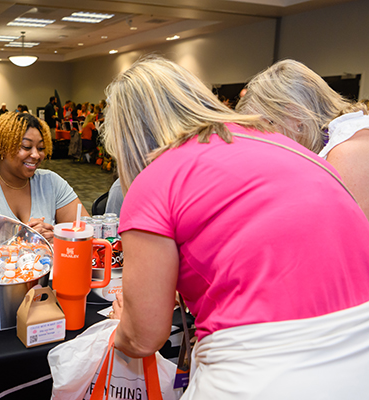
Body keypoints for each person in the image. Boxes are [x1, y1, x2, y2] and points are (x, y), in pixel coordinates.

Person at [103, 55, 369, 399]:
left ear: (126, 139)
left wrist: (117, 332)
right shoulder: (286, 147)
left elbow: (143, 336)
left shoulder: (154, 180)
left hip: (261, 371)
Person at [236, 59, 369, 219]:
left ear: (294, 115)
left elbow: (344, 230)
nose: (263, 141)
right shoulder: (330, 144)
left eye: (266, 127)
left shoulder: (350, 148)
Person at [0, 112, 88, 242]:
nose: (36, 155)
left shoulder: (51, 182)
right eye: (26, 147)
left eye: (41, 148)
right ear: (2, 147)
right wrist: (22, 241)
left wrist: (54, 236)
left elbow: (86, 232)